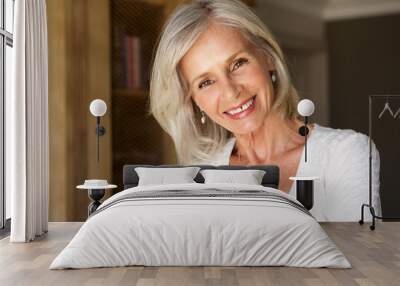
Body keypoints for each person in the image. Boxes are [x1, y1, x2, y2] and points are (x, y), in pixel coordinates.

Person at [149, 0, 380, 221]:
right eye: (206, 82)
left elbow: (358, 254)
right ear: (194, 101)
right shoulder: (199, 175)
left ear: (267, 57)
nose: (231, 92)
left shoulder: (346, 153)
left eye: (238, 63)